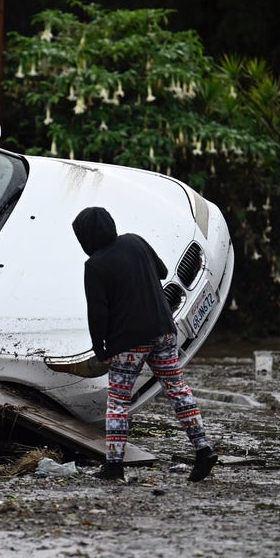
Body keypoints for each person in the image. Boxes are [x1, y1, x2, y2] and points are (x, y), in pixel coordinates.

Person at [71, 206, 217, 482]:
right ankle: (203, 450)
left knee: (117, 402)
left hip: (128, 343)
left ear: (85, 238)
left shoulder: (94, 266)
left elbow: (98, 312)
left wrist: (100, 349)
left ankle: (114, 466)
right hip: (163, 330)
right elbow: (161, 272)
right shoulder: (135, 241)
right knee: (178, 390)